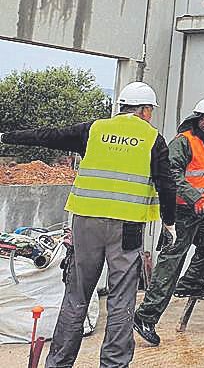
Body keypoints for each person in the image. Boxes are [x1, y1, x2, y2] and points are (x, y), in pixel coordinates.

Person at [0, 82, 176, 368]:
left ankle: (58, 363)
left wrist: (7, 135)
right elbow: (166, 185)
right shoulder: (152, 138)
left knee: (76, 294)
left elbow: (48, 136)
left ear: (120, 107)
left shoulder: (94, 129)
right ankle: (114, 364)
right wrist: (169, 224)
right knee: (121, 299)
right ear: (146, 110)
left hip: (85, 222)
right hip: (127, 227)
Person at [133, 97, 204, 346]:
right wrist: (193, 196)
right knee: (170, 265)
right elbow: (172, 172)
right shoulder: (183, 142)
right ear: (196, 120)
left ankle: (189, 285)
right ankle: (145, 317)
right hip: (181, 210)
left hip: (200, 210)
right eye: (203, 119)